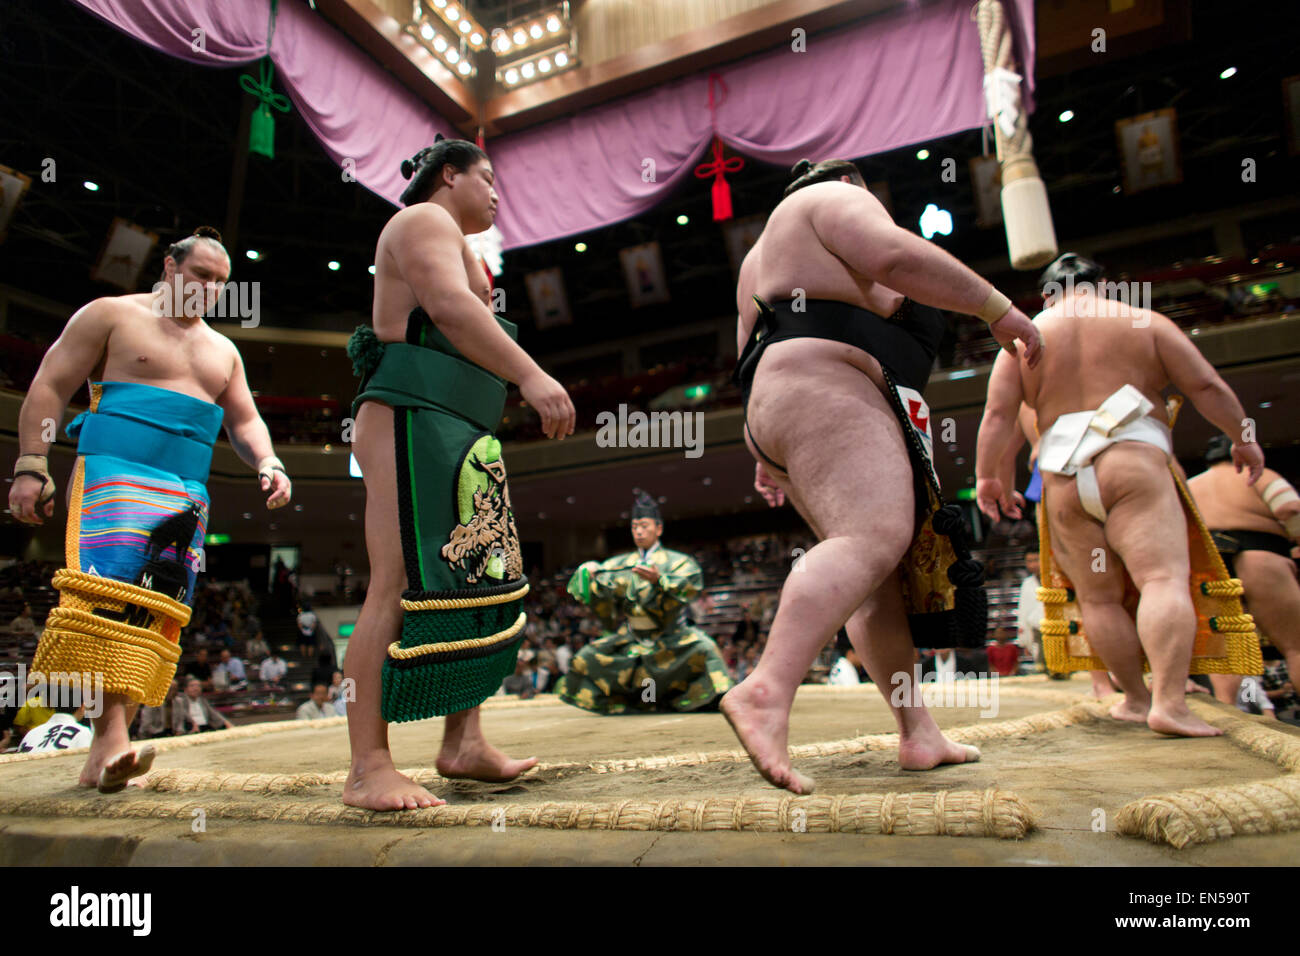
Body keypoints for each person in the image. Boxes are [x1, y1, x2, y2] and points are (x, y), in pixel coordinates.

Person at [720, 158, 1043, 793]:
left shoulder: (760, 258)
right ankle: (765, 690)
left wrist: (764, 453)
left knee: (875, 581)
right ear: (852, 184)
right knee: (871, 540)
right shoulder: (832, 200)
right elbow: (896, 259)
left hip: (782, 398)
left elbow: (747, 359)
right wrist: (996, 307)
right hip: (825, 380)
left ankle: (917, 732)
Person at [8, 226, 290, 792]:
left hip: (186, 491)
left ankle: (108, 753)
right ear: (168, 267)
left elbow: (244, 420)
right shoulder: (111, 314)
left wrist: (269, 461)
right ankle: (110, 741)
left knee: (158, 615)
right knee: (108, 601)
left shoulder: (223, 350)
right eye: (200, 274)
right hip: (114, 471)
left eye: (220, 282)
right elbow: (50, 384)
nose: (210, 288)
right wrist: (31, 463)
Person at [342, 137, 575, 812]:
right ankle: (367, 767)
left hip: (461, 425)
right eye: (489, 179)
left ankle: (464, 742)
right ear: (450, 175)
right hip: (412, 412)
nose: (499, 194)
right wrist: (530, 374)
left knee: (478, 578)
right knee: (395, 583)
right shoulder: (420, 221)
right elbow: (447, 307)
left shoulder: (457, 240)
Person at [975, 253, 1264, 737]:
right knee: (1160, 578)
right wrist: (1243, 437)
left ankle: (1134, 698)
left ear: (1047, 294)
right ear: (1104, 286)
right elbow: (1205, 384)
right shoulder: (1142, 320)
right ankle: (1169, 704)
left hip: (1062, 476)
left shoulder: (1023, 339)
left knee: (1098, 599)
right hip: (1133, 461)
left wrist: (988, 479)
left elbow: (998, 417)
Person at [555, 491, 733, 713]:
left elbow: (690, 589)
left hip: (673, 637)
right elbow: (603, 599)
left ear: (658, 529)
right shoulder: (618, 562)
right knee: (587, 657)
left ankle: (704, 700)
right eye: (634, 526)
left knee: (706, 648)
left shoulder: (679, 562)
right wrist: (590, 574)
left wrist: (661, 581)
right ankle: (623, 704)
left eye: (644, 525)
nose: (638, 531)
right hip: (631, 637)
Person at [1187, 435, 1300, 702]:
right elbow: (1290, 508)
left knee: (1225, 650)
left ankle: (1229, 712)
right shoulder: (1257, 474)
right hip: (1260, 555)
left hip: (1207, 564)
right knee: (1296, 646)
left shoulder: (1190, 486)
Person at [1015, 549, 1045, 672]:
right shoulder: (1026, 584)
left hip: (1058, 627)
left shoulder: (1056, 579)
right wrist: (1026, 640)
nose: (1033, 565)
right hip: (1037, 630)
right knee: (1042, 666)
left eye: (1036, 560)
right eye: (1029, 561)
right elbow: (1023, 612)